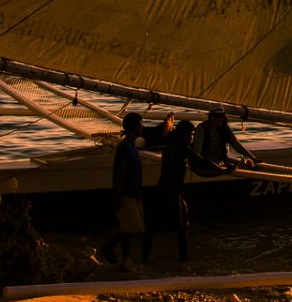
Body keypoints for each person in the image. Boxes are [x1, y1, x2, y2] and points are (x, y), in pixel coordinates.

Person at [144, 116, 195, 264]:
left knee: (152, 227)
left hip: (161, 189)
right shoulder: (182, 149)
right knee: (183, 226)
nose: (192, 137)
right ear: (182, 135)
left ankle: (145, 258)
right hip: (173, 192)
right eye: (190, 134)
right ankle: (183, 259)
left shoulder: (169, 148)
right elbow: (201, 161)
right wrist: (225, 168)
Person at [109, 111, 146, 270]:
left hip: (134, 192)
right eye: (140, 124)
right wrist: (118, 195)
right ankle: (111, 248)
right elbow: (119, 173)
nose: (142, 127)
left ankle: (124, 258)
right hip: (126, 193)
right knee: (130, 228)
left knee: (132, 228)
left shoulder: (132, 145)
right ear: (133, 127)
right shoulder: (124, 148)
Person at [192, 107, 259, 176]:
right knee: (231, 166)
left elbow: (236, 145)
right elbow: (197, 151)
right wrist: (197, 166)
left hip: (220, 160)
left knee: (249, 165)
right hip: (206, 162)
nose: (219, 119)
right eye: (216, 116)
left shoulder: (225, 129)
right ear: (210, 117)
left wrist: (253, 158)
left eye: (221, 116)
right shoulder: (202, 128)